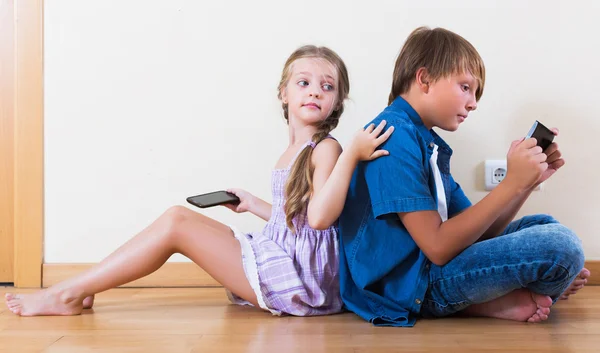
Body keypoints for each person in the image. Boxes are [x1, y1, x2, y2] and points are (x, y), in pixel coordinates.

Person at [5, 45, 393, 317]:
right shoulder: (290, 152)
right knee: (177, 219)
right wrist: (252, 203)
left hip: (302, 283)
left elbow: (322, 220)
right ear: (283, 93)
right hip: (285, 255)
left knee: (176, 221)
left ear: (337, 102)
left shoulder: (327, 149)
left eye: (327, 86)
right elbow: (298, 221)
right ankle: (76, 289)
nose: (315, 91)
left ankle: (68, 292)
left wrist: (351, 156)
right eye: (304, 82)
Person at [338, 27, 590, 327]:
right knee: (561, 248)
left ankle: (504, 297)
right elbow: (438, 247)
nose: (473, 103)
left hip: (431, 268)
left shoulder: (425, 141)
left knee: (544, 225)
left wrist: (524, 184)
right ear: (425, 79)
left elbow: (480, 232)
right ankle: (498, 298)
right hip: (411, 288)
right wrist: (510, 183)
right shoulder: (393, 136)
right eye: (466, 87)